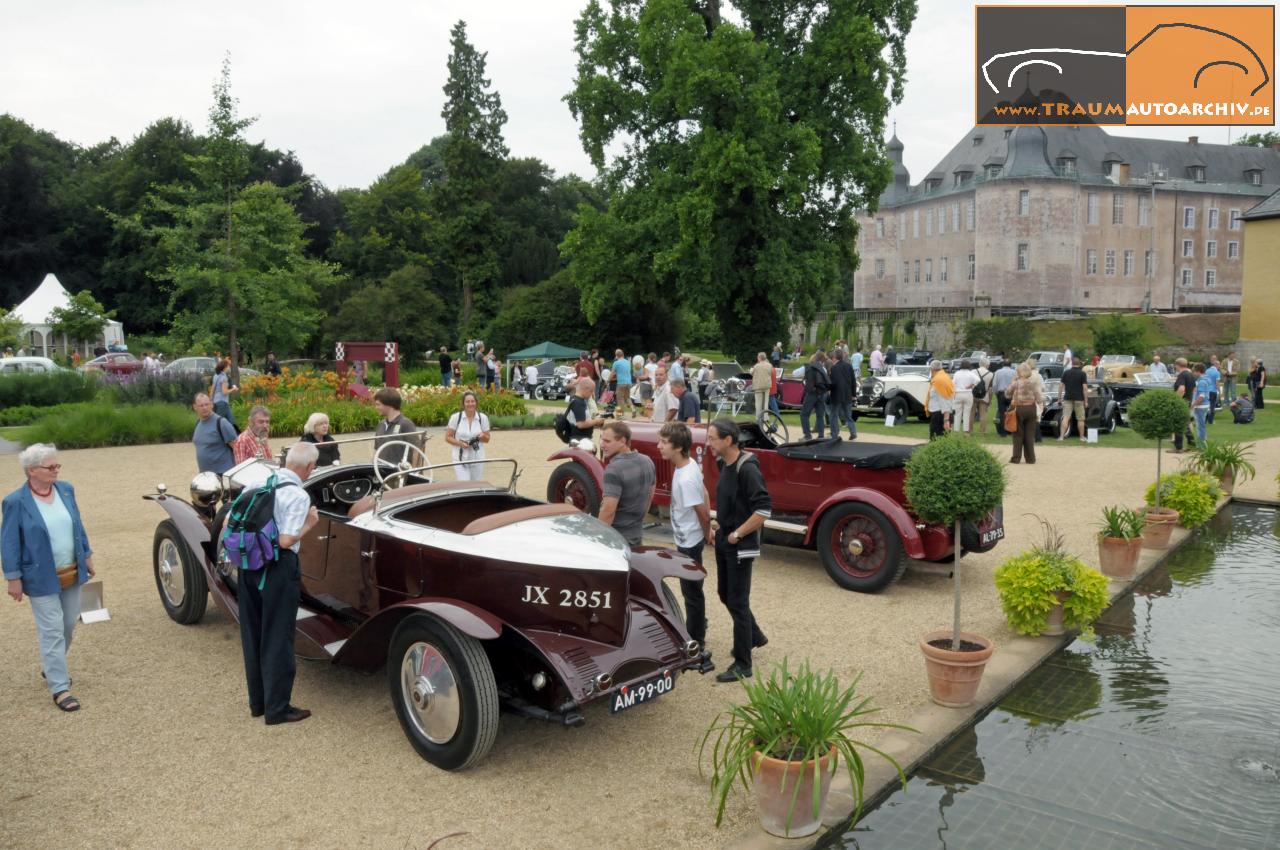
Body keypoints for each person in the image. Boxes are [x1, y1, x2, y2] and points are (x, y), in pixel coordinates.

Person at [3, 444, 95, 712]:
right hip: (39, 576)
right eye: (50, 467)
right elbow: (9, 543)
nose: (56, 470)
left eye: (57, 466)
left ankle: (51, 666)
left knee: (68, 624)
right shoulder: (15, 502)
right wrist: (13, 577)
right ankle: (59, 686)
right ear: (32, 471)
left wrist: (86, 554)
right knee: (52, 630)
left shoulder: (66, 489)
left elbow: (77, 523)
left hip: (71, 569)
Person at [237, 441, 320, 726]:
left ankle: (258, 703)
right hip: (277, 569)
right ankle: (278, 708)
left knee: (253, 633)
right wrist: (309, 524)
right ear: (309, 467)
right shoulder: (298, 495)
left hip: (248, 565)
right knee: (278, 636)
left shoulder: (261, 480)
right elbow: (285, 540)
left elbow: (228, 523)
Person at [706, 419, 770, 682]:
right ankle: (754, 636)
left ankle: (743, 664)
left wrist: (737, 534)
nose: (708, 443)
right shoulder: (724, 464)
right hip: (725, 540)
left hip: (739, 546)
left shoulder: (748, 469)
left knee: (738, 602)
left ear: (728, 440)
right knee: (724, 594)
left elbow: (763, 510)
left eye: (712, 438)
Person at [658, 422, 711, 665]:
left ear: (678, 447)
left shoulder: (685, 479)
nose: (659, 446)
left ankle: (697, 637)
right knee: (691, 589)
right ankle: (698, 625)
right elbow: (706, 492)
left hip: (689, 540)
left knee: (691, 591)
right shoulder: (688, 466)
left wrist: (707, 530)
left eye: (664, 443)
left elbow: (700, 508)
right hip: (687, 536)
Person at [597, 421, 656, 548]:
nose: (602, 445)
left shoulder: (614, 469)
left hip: (616, 541)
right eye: (601, 440)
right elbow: (650, 496)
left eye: (607, 441)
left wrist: (598, 538)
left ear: (623, 441)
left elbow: (608, 511)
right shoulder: (647, 461)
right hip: (636, 535)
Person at [445, 391, 491, 481]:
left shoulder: (483, 418)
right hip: (460, 458)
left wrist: (482, 437)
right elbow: (448, 437)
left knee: (476, 486)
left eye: (472, 401)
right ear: (463, 403)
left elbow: (487, 439)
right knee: (465, 484)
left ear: (476, 403)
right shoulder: (455, 417)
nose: (470, 404)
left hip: (478, 459)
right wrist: (460, 444)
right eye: (467, 401)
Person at [192, 393, 238, 474]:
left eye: (207, 404)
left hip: (223, 474)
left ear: (212, 405)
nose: (204, 408)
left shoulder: (221, 423)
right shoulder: (198, 424)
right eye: (201, 405)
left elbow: (237, 449)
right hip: (206, 476)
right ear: (195, 407)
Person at [373, 388, 420, 464]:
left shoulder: (406, 424)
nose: (376, 408)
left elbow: (416, 450)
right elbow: (376, 450)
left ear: (389, 404)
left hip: (398, 473)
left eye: (378, 404)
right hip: (381, 472)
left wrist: (413, 473)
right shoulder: (381, 425)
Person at [1007, 364, 1039, 464]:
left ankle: (1016, 458)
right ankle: (1030, 458)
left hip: (1019, 408)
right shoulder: (1033, 383)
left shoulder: (1016, 383)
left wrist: (1013, 381)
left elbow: (1007, 393)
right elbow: (1039, 398)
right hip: (1031, 408)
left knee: (1018, 434)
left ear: (1019, 372)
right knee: (1030, 435)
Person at [827, 348, 857, 440]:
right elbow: (853, 381)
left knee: (833, 415)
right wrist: (853, 394)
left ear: (835, 357)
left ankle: (834, 433)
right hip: (847, 394)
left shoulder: (834, 368)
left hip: (836, 395)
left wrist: (827, 387)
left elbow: (833, 382)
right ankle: (853, 432)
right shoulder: (849, 366)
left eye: (833, 356)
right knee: (848, 415)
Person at [1057, 357, 1090, 441]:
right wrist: (1086, 401)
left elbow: (1061, 386)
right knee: (1080, 418)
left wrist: (1059, 398)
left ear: (1071, 363)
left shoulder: (1066, 373)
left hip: (1067, 398)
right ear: (1079, 364)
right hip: (1079, 398)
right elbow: (1085, 388)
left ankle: (1061, 437)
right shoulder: (1082, 374)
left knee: (1066, 417)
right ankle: (1082, 437)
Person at [1168, 358, 1196, 454]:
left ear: (1177, 365)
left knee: (1178, 424)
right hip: (1188, 401)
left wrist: (1176, 401)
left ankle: (1178, 447)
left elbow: (1181, 389)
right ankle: (1192, 445)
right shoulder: (1190, 375)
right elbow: (1193, 389)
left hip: (1181, 402)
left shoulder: (1182, 375)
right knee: (1186, 423)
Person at [800, 352, 830, 439]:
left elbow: (795, 373)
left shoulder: (807, 367)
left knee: (804, 414)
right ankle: (821, 435)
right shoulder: (823, 368)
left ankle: (807, 435)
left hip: (812, 393)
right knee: (820, 415)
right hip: (821, 393)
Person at [925, 360, 954, 440]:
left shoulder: (939, 381)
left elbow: (945, 400)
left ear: (932, 369)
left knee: (936, 439)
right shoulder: (944, 377)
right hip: (940, 414)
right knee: (939, 439)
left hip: (940, 415)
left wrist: (946, 420)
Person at [951, 360, 979, 435]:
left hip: (958, 393)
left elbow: (953, 383)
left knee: (957, 413)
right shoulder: (971, 373)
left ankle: (956, 430)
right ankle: (966, 430)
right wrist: (972, 385)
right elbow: (978, 380)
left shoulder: (957, 373)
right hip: (968, 393)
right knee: (967, 412)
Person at [991, 358, 1016, 436]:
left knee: (1002, 412)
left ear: (1002, 364)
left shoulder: (998, 372)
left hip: (1001, 393)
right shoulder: (1014, 372)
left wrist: (995, 392)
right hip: (1011, 393)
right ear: (1010, 365)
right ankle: (1011, 429)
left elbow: (994, 384)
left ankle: (1002, 432)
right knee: (1012, 411)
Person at [210, 359, 239, 427]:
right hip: (222, 402)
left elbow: (212, 389)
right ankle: (212, 435)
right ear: (225, 367)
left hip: (217, 401)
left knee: (231, 420)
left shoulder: (216, 375)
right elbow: (224, 392)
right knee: (217, 422)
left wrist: (211, 399)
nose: (229, 367)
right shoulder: (224, 377)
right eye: (228, 366)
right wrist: (233, 389)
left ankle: (234, 434)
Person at [1191, 363, 1213, 446]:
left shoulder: (1202, 382)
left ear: (1198, 371)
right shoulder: (1206, 379)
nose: (1193, 373)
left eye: (1194, 372)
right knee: (1201, 425)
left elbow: (1201, 396)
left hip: (1201, 406)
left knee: (1200, 426)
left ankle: (1201, 444)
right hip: (1205, 405)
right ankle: (1203, 442)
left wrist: (1193, 405)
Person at [973, 357, 994, 435]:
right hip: (984, 395)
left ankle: (969, 431)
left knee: (971, 413)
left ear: (979, 364)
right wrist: (990, 400)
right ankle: (983, 431)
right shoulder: (991, 374)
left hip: (973, 395)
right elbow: (990, 389)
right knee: (983, 414)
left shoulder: (973, 372)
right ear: (987, 365)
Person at [611, 349, 633, 418]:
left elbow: (612, 373)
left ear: (616, 356)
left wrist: (608, 380)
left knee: (619, 399)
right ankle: (633, 409)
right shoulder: (628, 362)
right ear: (623, 355)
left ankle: (620, 415)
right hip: (629, 382)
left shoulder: (616, 363)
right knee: (627, 398)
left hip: (621, 383)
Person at [751, 353, 773, 420]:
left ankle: (759, 417)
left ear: (759, 358)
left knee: (758, 403)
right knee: (766, 402)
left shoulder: (756, 366)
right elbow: (771, 373)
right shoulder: (769, 365)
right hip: (767, 386)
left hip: (758, 386)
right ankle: (765, 417)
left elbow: (751, 372)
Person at [1205, 355, 1222, 425]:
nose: (1220, 366)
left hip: (1206, 390)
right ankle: (1211, 420)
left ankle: (1204, 419)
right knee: (1212, 406)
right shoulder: (1217, 372)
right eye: (1219, 365)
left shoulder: (1207, 370)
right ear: (1216, 365)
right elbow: (1217, 383)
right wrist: (1220, 391)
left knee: (1206, 405)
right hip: (1213, 391)